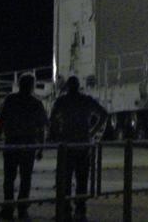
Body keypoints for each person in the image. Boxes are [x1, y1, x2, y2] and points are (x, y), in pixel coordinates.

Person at [48, 76, 108, 220]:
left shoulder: (62, 101)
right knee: (82, 179)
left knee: (65, 179)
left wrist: (57, 133)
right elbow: (103, 114)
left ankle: (65, 210)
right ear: (78, 86)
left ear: (67, 87)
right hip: (83, 144)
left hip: (66, 145)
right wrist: (92, 132)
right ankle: (80, 210)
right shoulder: (86, 100)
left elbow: (52, 119)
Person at [0, 74, 48, 219]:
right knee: (26, 178)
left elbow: (1, 119)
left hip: (12, 142)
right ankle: (22, 209)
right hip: (28, 144)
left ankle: (8, 209)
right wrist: (41, 148)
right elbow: (41, 128)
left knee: (9, 178)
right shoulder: (36, 103)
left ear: (19, 84)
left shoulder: (10, 100)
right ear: (32, 86)